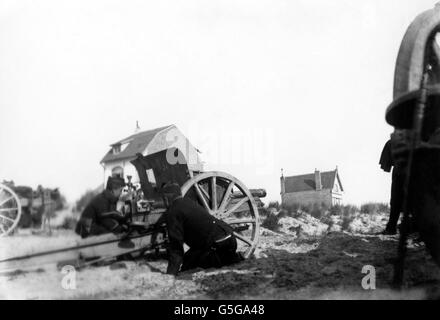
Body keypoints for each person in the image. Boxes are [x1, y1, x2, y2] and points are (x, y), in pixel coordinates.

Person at [160, 182, 244, 276]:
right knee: (188, 260)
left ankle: (230, 260)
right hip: (230, 240)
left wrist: (170, 274)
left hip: (218, 245)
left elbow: (176, 248)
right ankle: (231, 258)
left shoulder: (173, 212)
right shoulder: (189, 202)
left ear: (167, 198)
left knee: (191, 271)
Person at [379, 136, 406, 235]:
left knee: (396, 201)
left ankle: (392, 228)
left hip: (412, 171)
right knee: (395, 201)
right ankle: (391, 228)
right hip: (401, 171)